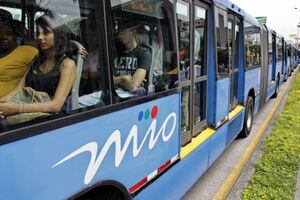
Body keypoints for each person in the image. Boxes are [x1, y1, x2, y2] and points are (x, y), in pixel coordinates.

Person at [0, 13, 76, 121]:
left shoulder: (67, 65)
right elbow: (17, 91)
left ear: (58, 35)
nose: (40, 37)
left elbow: (56, 105)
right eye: (38, 33)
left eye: (46, 33)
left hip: (50, 119)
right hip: (28, 113)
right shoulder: (36, 61)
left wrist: (18, 108)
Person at [0, 20, 38, 98]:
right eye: (0, 34)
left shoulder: (28, 51)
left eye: (8, 34)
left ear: (16, 36)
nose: (3, 37)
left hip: (8, 103)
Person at [113, 20, 151, 96]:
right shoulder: (115, 52)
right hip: (114, 95)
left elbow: (133, 86)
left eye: (123, 32)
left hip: (133, 98)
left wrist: (117, 80)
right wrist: (124, 78)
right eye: (119, 33)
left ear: (133, 33)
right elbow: (108, 80)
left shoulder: (143, 54)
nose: (120, 36)